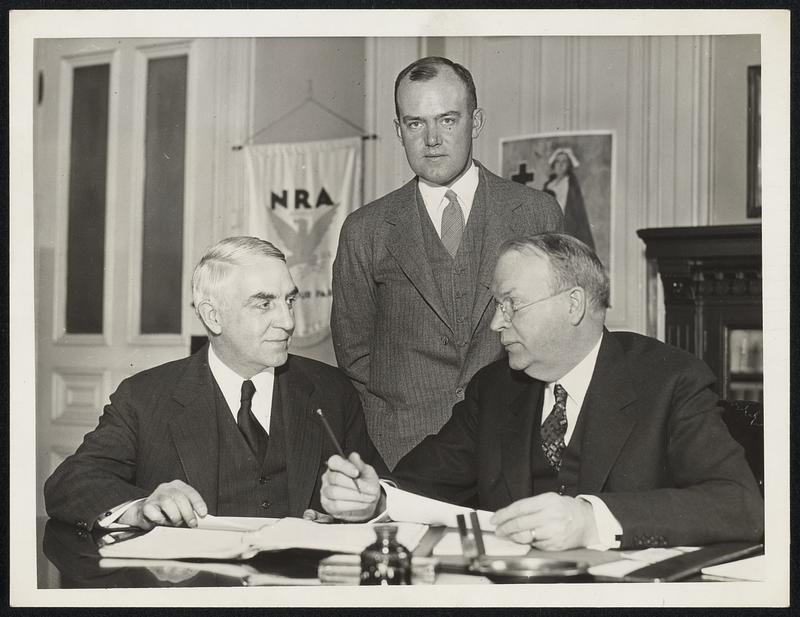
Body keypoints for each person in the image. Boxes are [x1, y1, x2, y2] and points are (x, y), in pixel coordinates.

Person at [320, 233, 764, 550]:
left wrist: (592, 521)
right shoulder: (494, 390)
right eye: (497, 306)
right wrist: (372, 498)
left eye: (512, 305)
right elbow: (421, 482)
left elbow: (739, 505)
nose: (496, 323)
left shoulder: (669, 380)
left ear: (573, 305)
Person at [44, 237, 387, 531]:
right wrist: (138, 506)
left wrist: (371, 504)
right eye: (264, 303)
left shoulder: (331, 389)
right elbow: (68, 484)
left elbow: (381, 488)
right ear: (213, 316)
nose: (287, 321)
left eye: (290, 300)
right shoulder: (144, 397)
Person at [332, 56, 564, 467]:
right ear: (399, 130)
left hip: (512, 447)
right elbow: (355, 353)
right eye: (415, 123)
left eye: (448, 120)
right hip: (402, 452)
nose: (432, 139)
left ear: (475, 123)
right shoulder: (365, 229)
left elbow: (559, 334)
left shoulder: (536, 214)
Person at [543, 147, 595, 250]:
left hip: (565, 222)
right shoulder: (549, 184)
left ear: (569, 165)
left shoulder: (570, 183)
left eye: (564, 161)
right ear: (554, 165)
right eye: (558, 161)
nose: (561, 164)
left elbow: (573, 207)